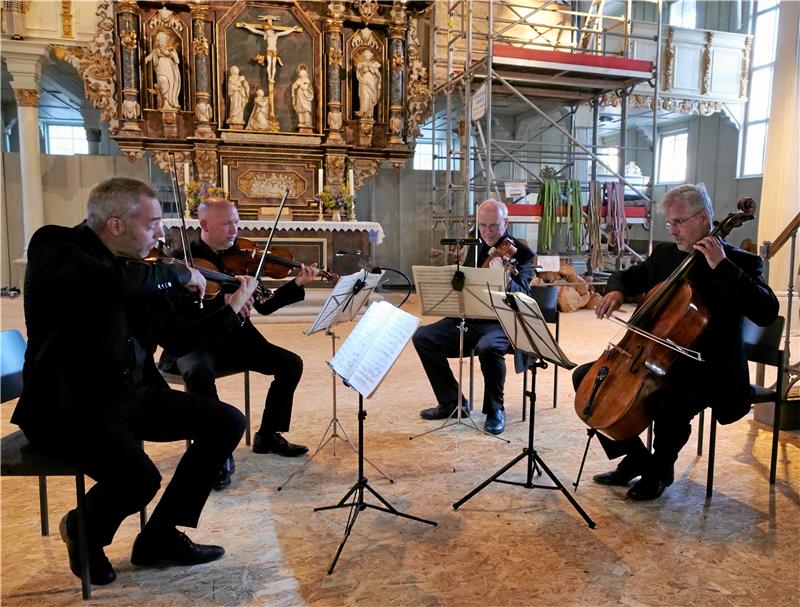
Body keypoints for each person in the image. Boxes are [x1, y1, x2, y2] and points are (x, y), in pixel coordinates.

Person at [11, 177, 257, 586]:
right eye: (153, 223)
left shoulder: (143, 267)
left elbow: (180, 340)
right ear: (116, 225)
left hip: (133, 395)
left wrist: (230, 309)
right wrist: (177, 273)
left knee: (226, 422)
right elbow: (109, 283)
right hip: (68, 406)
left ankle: (160, 537)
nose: (161, 233)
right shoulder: (56, 246)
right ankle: (83, 530)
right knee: (139, 479)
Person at [572, 183, 778, 501]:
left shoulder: (740, 262)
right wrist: (616, 290)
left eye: (679, 222)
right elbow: (629, 276)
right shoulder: (667, 255)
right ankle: (636, 459)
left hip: (711, 368)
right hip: (657, 358)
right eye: (669, 223)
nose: (672, 231)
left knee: (667, 400)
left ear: (704, 218)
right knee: (587, 378)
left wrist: (722, 266)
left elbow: (766, 311)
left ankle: (660, 470)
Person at [159, 197, 315, 490]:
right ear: (204, 225)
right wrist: (225, 304)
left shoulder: (241, 258)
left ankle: (267, 435)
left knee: (290, 363)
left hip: (236, 340)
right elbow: (176, 314)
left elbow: (265, 305)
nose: (234, 230)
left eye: (236, 222)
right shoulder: (182, 260)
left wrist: (296, 285)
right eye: (226, 224)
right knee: (198, 374)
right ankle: (215, 455)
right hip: (198, 341)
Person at [412, 199, 535, 435]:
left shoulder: (522, 253)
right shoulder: (475, 244)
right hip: (469, 317)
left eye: (493, 226)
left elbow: (524, 294)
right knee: (423, 337)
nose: (487, 232)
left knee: (489, 347)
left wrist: (507, 279)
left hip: (501, 322)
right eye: (482, 226)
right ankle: (452, 402)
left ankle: (495, 410)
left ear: (506, 222)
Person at [144, 31, 181, 110]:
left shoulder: (171, 49)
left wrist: (169, 53)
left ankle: (169, 102)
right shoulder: (156, 50)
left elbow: (177, 60)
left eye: (163, 40)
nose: (161, 42)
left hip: (170, 69)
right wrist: (146, 59)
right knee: (163, 80)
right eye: (159, 40)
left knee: (170, 84)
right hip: (160, 69)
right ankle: (166, 101)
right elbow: (150, 56)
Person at [355, 49, 381, 119]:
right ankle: (363, 113)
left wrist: (375, 71)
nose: (367, 56)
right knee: (365, 97)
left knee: (371, 97)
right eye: (365, 54)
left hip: (371, 81)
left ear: (370, 56)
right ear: (363, 56)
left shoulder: (374, 65)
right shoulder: (361, 64)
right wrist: (366, 65)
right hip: (364, 81)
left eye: (368, 54)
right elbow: (358, 67)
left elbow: (378, 75)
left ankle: (369, 113)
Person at [291, 64, 314, 129]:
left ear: (305, 74)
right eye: (301, 73)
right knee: (300, 110)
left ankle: (307, 122)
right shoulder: (298, 80)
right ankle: (301, 122)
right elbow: (294, 87)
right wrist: (295, 85)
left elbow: (305, 87)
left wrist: (300, 84)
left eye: (303, 73)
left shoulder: (307, 80)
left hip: (305, 96)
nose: (302, 74)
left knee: (306, 109)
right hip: (299, 96)